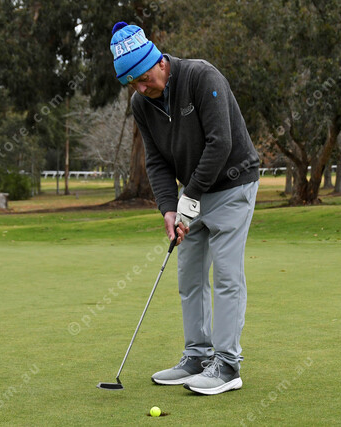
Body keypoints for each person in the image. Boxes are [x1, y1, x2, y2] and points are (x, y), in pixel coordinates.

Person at [110, 21, 260, 395]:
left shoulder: (200, 76)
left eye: (144, 79)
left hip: (233, 183)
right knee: (189, 276)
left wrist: (188, 196)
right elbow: (156, 161)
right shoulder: (141, 104)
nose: (141, 88)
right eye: (133, 83)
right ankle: (196, 356)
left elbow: (220, 142)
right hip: (192, 195)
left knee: (225, 275)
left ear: (160, 62)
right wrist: (168, 208)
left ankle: (227, 366)